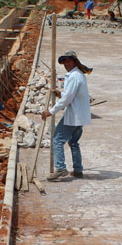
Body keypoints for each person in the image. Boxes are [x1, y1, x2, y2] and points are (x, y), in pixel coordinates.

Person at [42, 51, 92, 181]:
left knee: (57, 140)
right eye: (64, 62)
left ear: (74, 62)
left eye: (68, 61)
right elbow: (70, 95)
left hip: (74, 115)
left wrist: (51, 111)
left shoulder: (74, 76)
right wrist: (60, 94)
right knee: (74, 142)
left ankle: (60, 168)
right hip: (79, 115)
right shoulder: (78, 75)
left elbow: (67, 99)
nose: (66, 64)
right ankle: (78, 169)